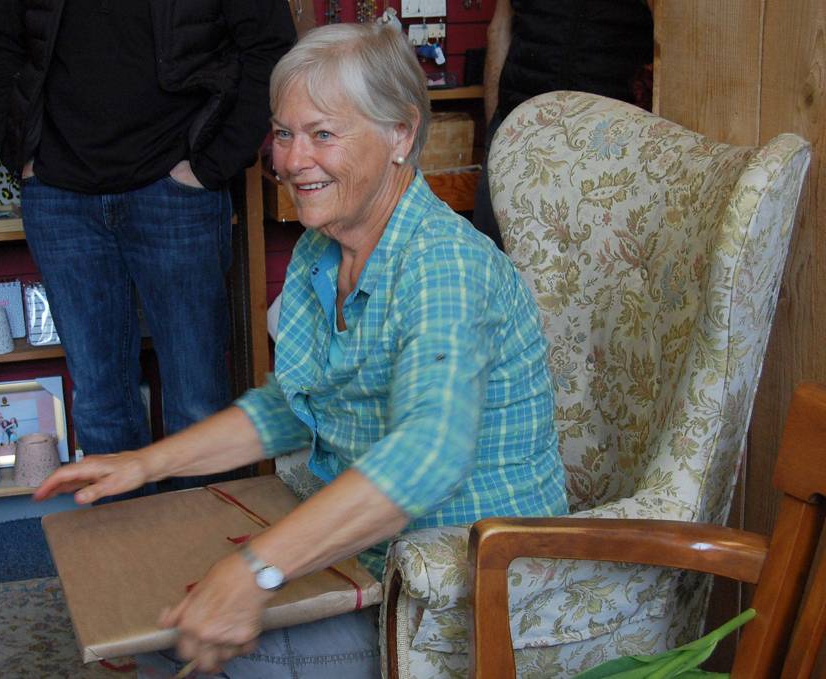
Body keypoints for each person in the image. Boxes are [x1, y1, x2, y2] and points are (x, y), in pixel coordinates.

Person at [36, 23, 568, 677]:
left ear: (400, 134)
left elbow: (427, 454)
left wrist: (254, 569)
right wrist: (145, 464)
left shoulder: (443, 265)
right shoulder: (322, 250)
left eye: (322, 133)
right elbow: (292, 407)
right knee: (161, 608)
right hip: (375, 556)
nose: (291, 160)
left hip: (460, 585)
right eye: (284, 133)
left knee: (200, 637)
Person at [0, 0, 296, 495]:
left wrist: (211, 165)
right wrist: (23, 152)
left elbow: (270, 47)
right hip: (61, 191)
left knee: (197, 402)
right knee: (100, 405)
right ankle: (126, 565)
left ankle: (201, 560)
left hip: (178, 188)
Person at [472, 0, 655, 249]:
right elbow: (499, 30)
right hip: (520, 136)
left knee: (592, 266)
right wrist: (498, 135)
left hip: (605, 148)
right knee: (493, 257)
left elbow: (667, 44)